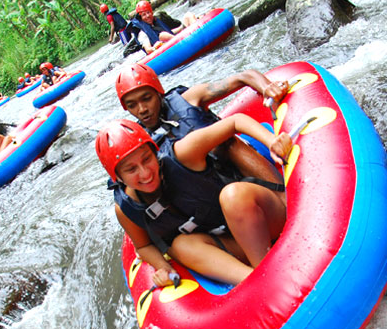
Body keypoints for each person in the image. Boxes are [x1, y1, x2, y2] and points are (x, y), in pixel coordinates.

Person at [96, 116, 291, 287]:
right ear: (117, 177)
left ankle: (266, 271)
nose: (145, 173)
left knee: (232, 196)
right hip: (232, 241)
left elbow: (234, 122)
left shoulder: (182, 153)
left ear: (154, 152)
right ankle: (254, 280)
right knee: (178, 246)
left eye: (147, 159)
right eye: (131, 170)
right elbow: (143, 246)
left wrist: (271, 141)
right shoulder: (126, 207)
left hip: (264, 219)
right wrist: (163, 268)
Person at [115, 63, 289, 184]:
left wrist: (267, 87)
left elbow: (244, 76)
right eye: (132, 105)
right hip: (211, 188)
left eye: (147, 98)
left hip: (242, 159)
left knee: (225, 144)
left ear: (159, 93)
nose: (142, 109)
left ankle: (285, 198)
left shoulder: (189, 98)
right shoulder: (139, 140)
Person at [128, 0, 197, 54]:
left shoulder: (156, 21)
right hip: (163, 49)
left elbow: (169, 33)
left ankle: (197, 34)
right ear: (141, 17)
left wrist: (182, 27)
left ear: (151, 12)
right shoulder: (142, 33)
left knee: (188, 15)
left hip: (172, 41)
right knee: (162, 35)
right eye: (144, 15)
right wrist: (155, 47)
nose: (147, 16)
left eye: (148, 12)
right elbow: (148, 49)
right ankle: (187, 43)